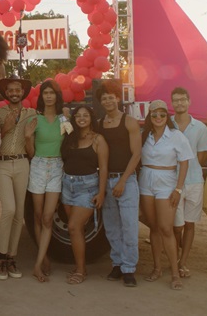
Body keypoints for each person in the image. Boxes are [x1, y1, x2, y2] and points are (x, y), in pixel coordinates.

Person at [140, 99, 193, 290]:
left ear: (167, 116)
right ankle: (157, 268)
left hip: (166, 182)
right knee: (153, 227)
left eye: (162, 114)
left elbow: (184, 162)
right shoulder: (144, 134)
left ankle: (175, 273)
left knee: (166, 228)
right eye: (154, 114)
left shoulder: (176, 135)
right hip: (146, 180)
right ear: (150, 116)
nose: (158, 117)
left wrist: (178, 189)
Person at [97, 80, 141, 287]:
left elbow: (136, 154)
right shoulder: (99, 124)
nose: (108, 101)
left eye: (111, 97)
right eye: (104, 98)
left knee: (129, 227)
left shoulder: (129, 122)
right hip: (106, 180)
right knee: (112, 227)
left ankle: (129, 268)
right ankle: (117, 264)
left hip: (127, 180)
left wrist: (123, 181)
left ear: (117, 98)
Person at [0, 76, 35, 280]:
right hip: (2, 164)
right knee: (9, 209)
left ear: (23, 92)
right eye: (10, 90)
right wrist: (5, 128)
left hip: (23, 162)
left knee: (19, 212)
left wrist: (28, 137)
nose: (14, 93)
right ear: (6, 93)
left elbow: (32, 150)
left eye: (18, 90)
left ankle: (11, 257)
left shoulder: (32, 114)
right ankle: (0, 258)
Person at [60, 106, 108, 284]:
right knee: (75, 230)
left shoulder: (98, 139)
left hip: (87, 187)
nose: (81, 118)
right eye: (78, 116)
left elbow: (104, 168)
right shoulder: (70, 137)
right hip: (67, 185)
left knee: (73, 227)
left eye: (85, 115)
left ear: (91, 118)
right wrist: (65, 115)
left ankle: (81, 271)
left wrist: (101, 192)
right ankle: (79, 266)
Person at [25, 79, 66, 283]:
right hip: (38, 165)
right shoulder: (35, 119)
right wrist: (27, 137)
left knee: (48, 218)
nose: (49, 96)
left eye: (52, 93)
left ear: (57, 96)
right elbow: (31, 153)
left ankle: (37, 264)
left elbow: (71, 143)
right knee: (38, 215)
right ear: (41, 96)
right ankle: (45, 258)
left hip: (57, 166)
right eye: (45, 93)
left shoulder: (63, 119)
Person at [169, 87, 207, 279]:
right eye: (176, 100)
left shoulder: (200, 127)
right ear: (172, 103)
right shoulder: (167, 124)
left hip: (194, 181)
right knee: (176, 226)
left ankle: (183, 262)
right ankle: (174, 258)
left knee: (189, 224)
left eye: (182, 99)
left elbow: (202, 155)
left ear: (189, 101)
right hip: (172, 181)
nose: (179, 103)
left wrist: (190, 169)